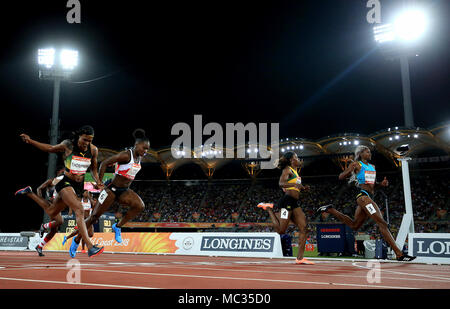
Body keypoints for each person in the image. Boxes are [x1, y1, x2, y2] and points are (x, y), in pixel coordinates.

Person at [317, 145, 416, 262]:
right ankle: (399, 254)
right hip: (363, 197)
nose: (370, 153)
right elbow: (341, 176)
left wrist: (381, 184)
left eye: (370, 152)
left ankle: (330, 210)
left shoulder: (372, 167)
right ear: (361, 153)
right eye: (367, 152)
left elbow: (373, 185)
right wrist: (349, 171)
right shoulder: (357, 164)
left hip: (369, 196)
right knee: (382, 223)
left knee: (354, 225)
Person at [19, 125, 104, 257]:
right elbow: (50, 148)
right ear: (78, 137)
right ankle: (90, 246)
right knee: (79, 210)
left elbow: (93, 169)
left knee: (52, 211)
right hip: (66, 182)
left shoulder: (93, 150)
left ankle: (29, 193)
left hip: (78, 186)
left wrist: (97, 180)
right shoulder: (68, 145)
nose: (87, 143)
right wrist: (31, 141)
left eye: (90, 140)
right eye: (84, 140)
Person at [66, 129, 150, 257]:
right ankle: (76, 240)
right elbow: (104, 163)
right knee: (94, 217)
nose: (146, 151)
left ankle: (118, 226)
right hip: (111, 189)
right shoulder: (126, 155)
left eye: (147, 149)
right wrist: (100, 182)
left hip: (124, 191)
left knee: (140, 206)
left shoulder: (139, 158)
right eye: (144, 148)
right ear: (136, 145)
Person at [257, 151, 314, 265]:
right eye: (296, 157)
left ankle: (300, 258)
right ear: (291, 160)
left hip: (294, 203)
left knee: (304, 228)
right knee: (281, 231)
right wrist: (294, 185)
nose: (298, 159)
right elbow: (281, 183)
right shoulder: (287, 169)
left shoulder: (296, 172)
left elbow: (296, 185)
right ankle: (269, 209)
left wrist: (303, 188)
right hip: (286, 202)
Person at [15, 171, 65, 256]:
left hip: (56, 206)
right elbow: (39, 189)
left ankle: (39, 246)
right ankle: (43, 226)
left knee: (54, 230)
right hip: (51, 205)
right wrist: (41, 200)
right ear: (58, 174)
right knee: (60, 221)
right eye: (62, 173)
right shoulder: (51, 181)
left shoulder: (63, 185)